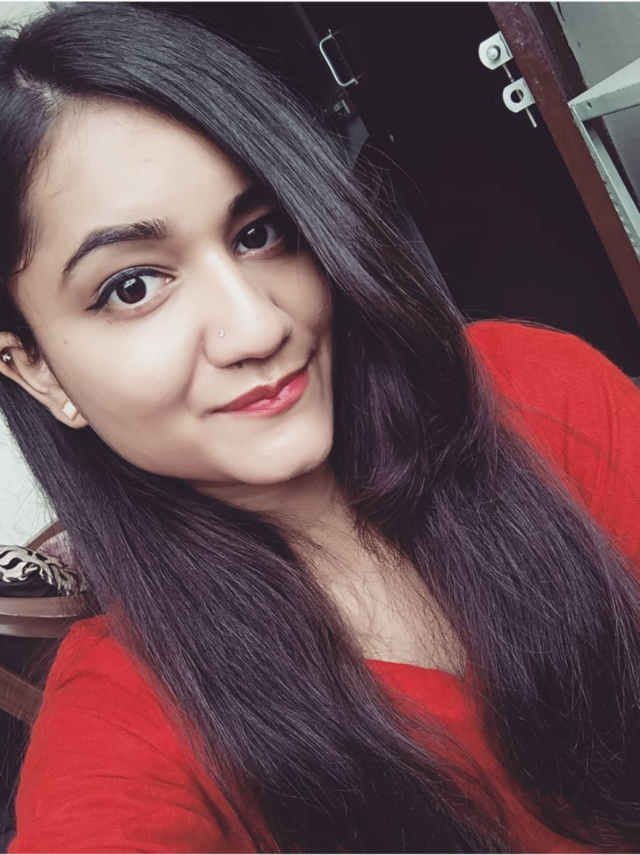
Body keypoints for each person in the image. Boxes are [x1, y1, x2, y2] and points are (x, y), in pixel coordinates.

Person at [0, 3, 639, 853]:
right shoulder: (126, 719)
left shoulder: (528, 391)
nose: (258, 326)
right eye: (133, 286)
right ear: (36, 369)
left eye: (259, 233)